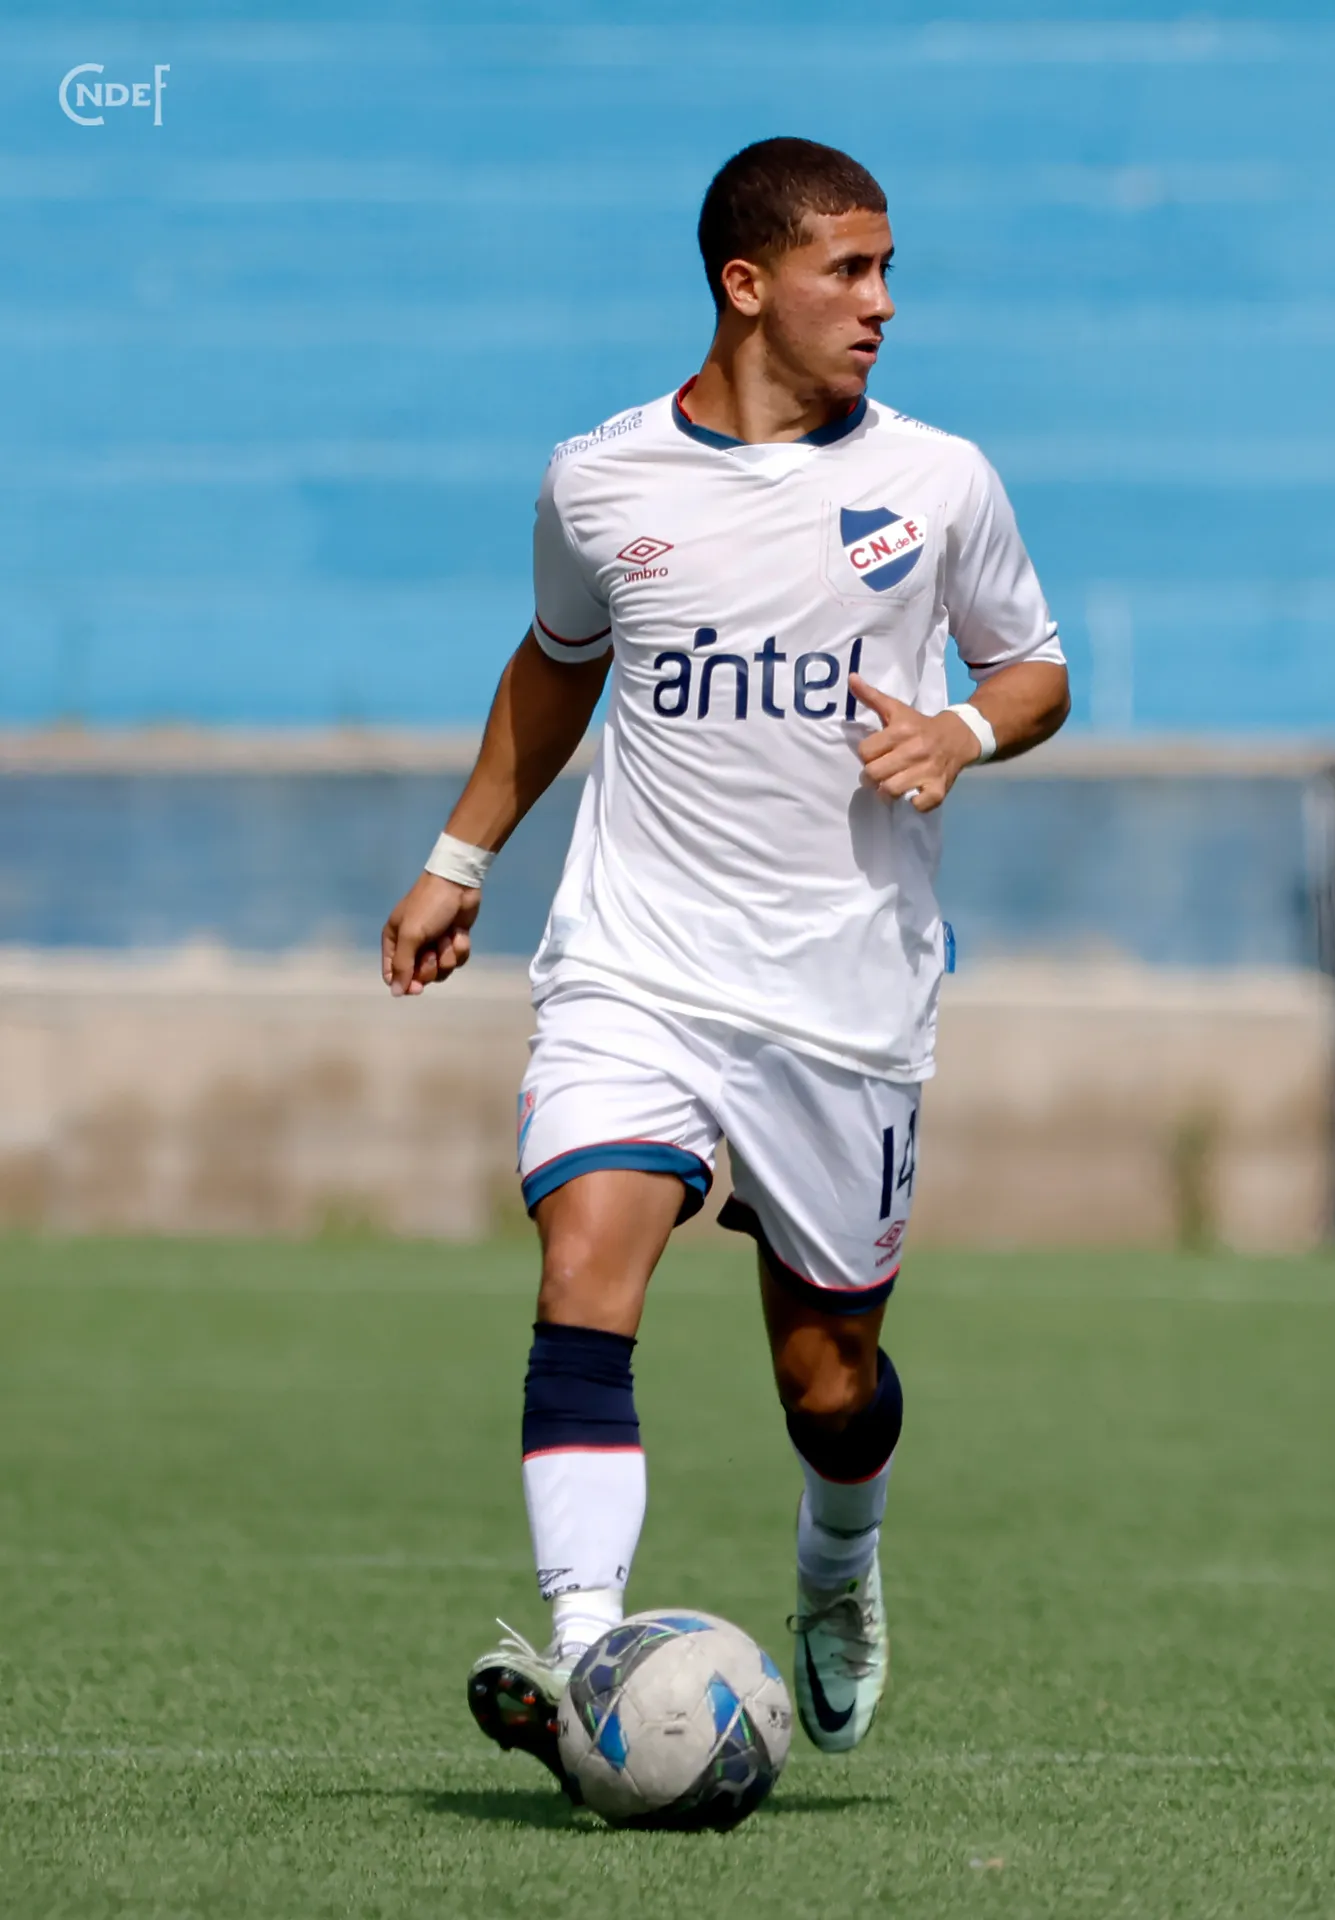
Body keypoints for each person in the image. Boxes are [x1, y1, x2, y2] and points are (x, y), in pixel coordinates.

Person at [380, 136, 1069, 1789]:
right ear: (746, 285)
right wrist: (460, 855)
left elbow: (1038, 670)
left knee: (829, 1384)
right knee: (583, 1269)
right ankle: (582, 1654)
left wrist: (961, 733)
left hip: (845, 998)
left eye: (889, 270)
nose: (883, 304)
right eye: (852, 270)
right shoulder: (599, 479)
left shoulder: (941, 480)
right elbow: (561, 661)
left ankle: (840, 1557)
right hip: (639, 964)